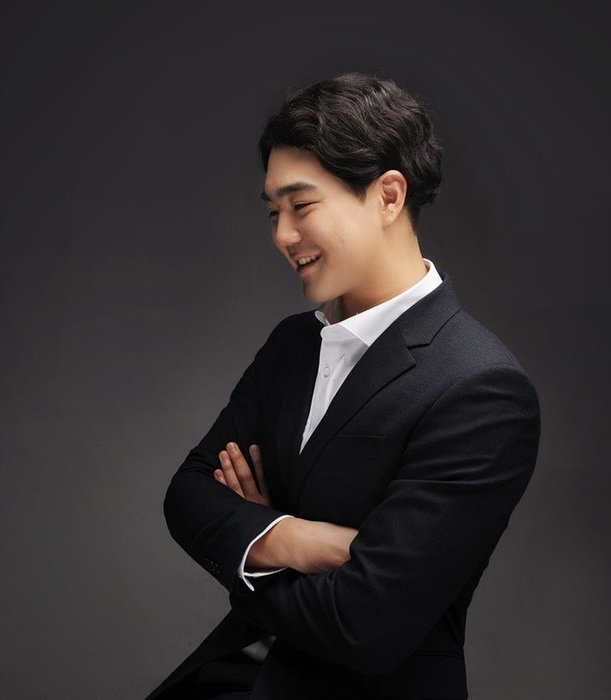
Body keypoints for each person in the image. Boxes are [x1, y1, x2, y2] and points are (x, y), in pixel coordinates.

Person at [145, 72, 540, 699]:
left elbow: (364, 626)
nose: (281, 235)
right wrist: (294, 538)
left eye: (301, 206)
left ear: (388, 196)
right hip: (227, 678)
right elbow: (188, 494)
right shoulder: (292, 344)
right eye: (273, 212)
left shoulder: (481, 388)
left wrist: (251, 542)